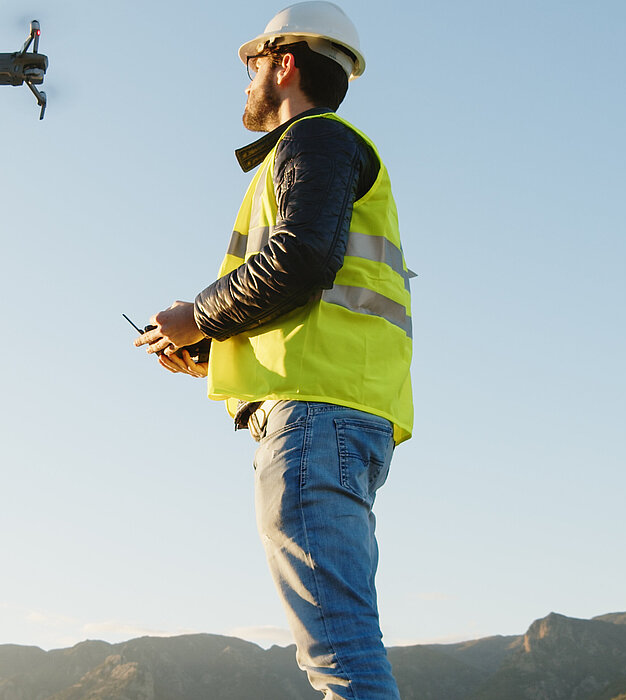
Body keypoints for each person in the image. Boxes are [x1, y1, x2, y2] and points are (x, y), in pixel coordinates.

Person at [132, 2, 412, 698]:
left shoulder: (314, 141)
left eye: (252, 64)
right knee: (344, 645)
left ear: (284, 64)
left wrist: (196, 314)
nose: (246, 80)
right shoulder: (323, 150)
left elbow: (300, 261)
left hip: (315, 419)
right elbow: (307, 297)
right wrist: (202, 354)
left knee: (340, 656)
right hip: (341, 413)